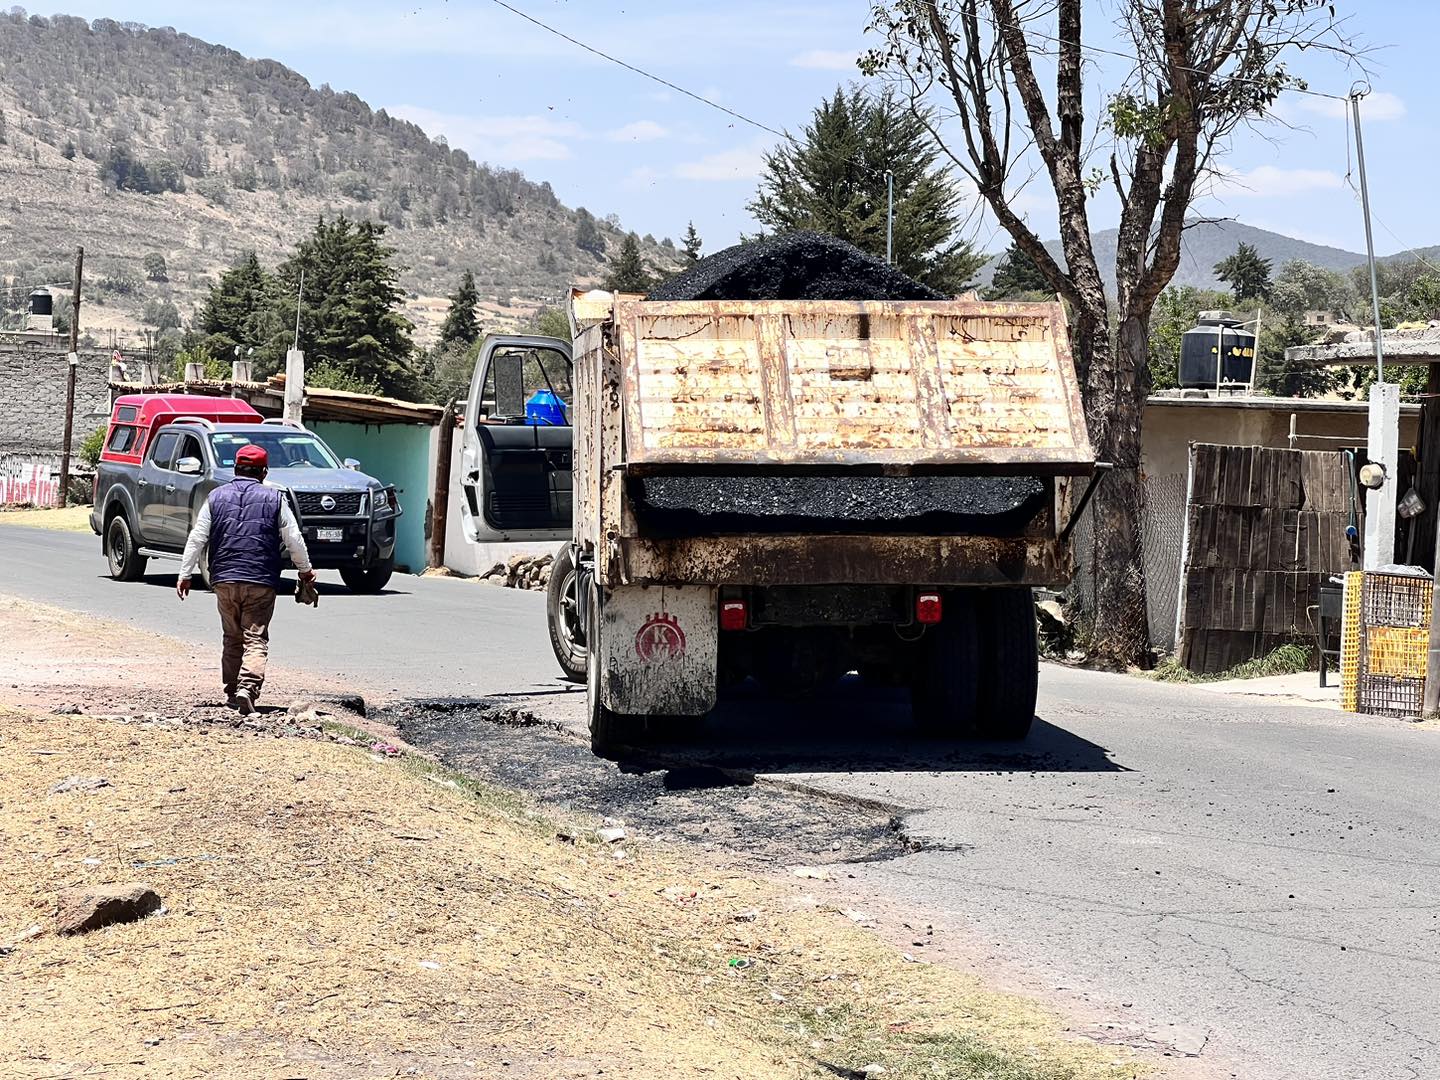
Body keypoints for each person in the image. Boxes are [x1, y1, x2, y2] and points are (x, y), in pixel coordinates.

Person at [177, 443, 315, 714]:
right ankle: (247, 688)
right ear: (263, 472)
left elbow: (198, 537)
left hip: (224, 579)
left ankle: (231, 692)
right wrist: (305, 570)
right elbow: (294, 538)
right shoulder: (275, 499)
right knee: (255, 638)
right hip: (260, 579)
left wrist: (185, 573)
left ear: (236, 469)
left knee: (231, 637)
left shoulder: (216, 497)